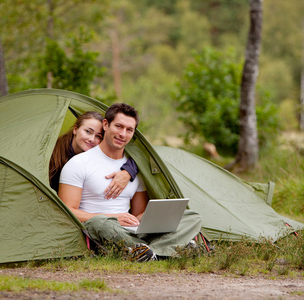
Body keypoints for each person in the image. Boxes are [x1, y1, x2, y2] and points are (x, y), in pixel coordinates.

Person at [58, 103, 202, 262]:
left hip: (132, 231)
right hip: (104, 229)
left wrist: (150, 217)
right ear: (106, 124)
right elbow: (67, 211)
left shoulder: (135, 169)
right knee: (100, 223)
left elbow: (137, 214)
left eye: (129, 130)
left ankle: (147, 252)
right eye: (118, 126)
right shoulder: (79, 163)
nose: (122, 134)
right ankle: (167, 248)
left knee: (191, 216)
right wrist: (112, 217)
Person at [49, 111, 138, 198]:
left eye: (98, 136)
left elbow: (140, 158)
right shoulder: (53, 152)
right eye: (88, 131)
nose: (91, 139)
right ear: (75, 129)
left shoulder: (95, 160)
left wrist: (128, 171)